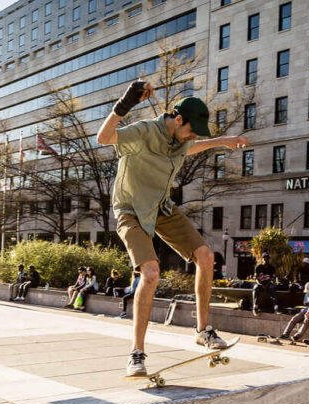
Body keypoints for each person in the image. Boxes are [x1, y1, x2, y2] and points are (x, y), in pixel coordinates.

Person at [97, 82, 246, 376]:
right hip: (131, 211)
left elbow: (194, 146)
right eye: (190, 130)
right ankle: (136, 354)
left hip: (162, 208)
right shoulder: (144, 132)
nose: (191, 138)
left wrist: (224, 140)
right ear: (178, 120)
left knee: (206, 256)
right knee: (150, 273)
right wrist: (125, 104)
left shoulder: (183, 138)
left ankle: (203, 330)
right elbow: (104, 137)